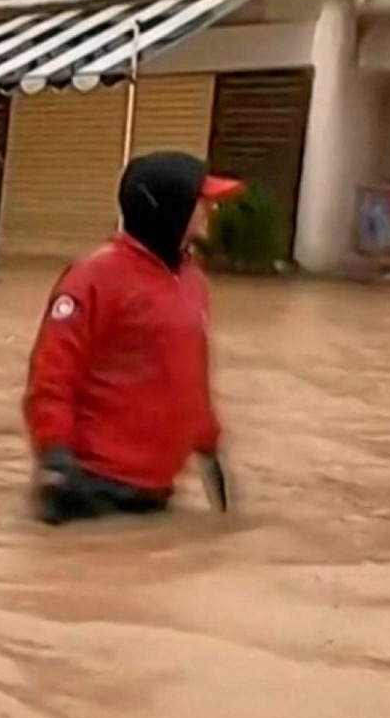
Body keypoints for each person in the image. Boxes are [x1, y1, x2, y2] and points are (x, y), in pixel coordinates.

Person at [24, 150, 244, 526]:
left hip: (156, 494)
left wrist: (209, 448)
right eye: (201, 202)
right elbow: (52, 376)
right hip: (92, 489)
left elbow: (190, 377)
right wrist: (55, 457)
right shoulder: (93, 279)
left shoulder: (193, 282)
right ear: (169, 208)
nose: (211, 211)